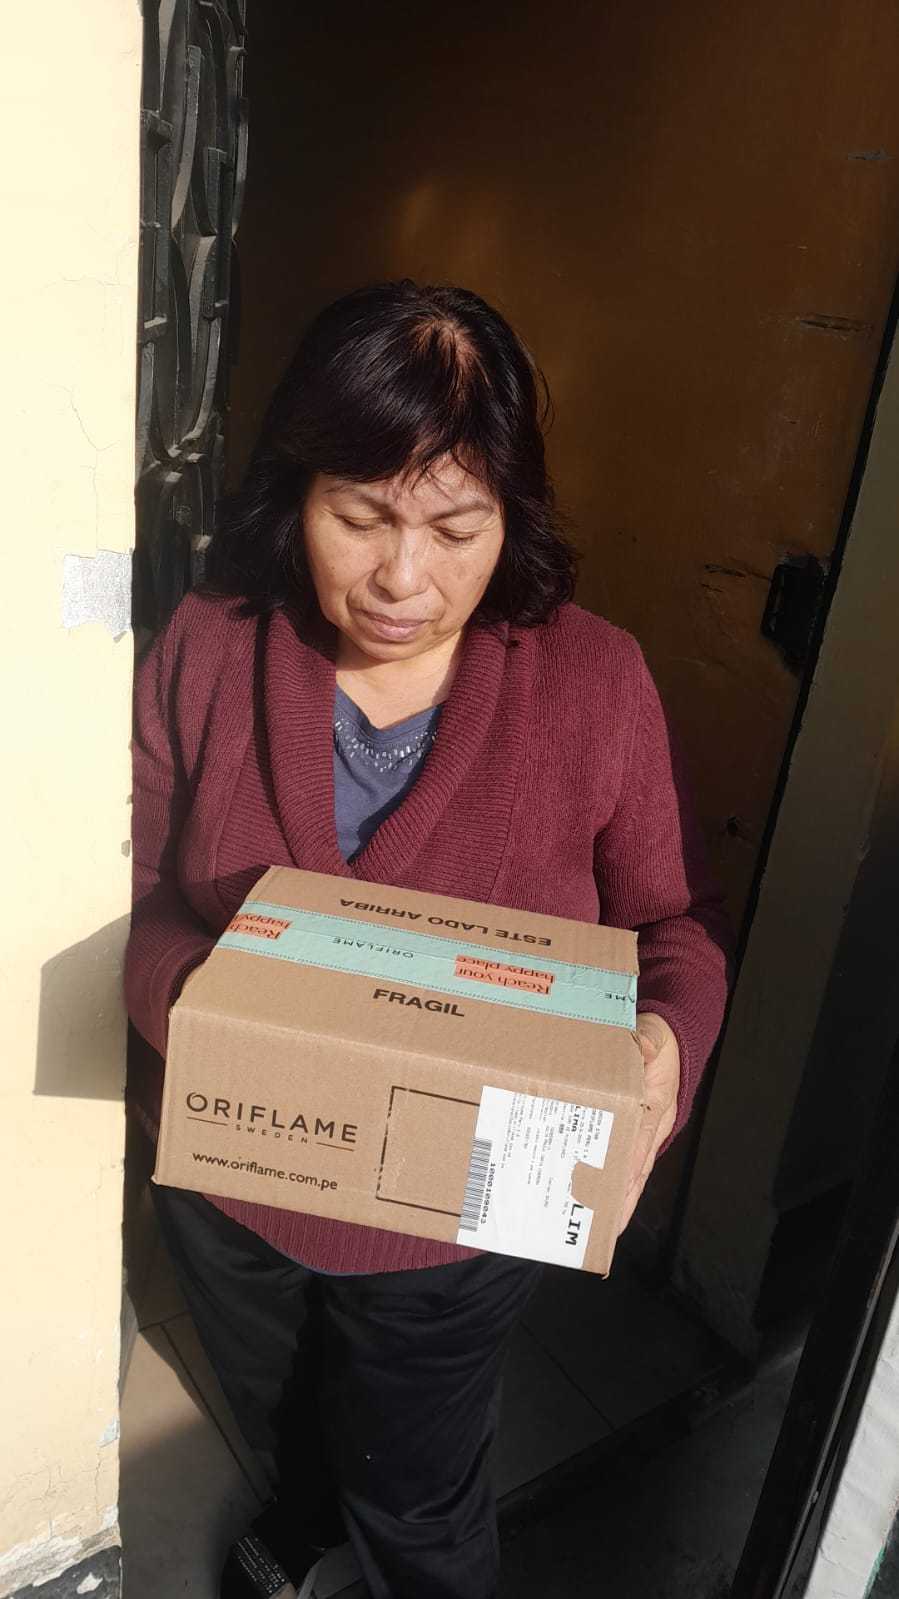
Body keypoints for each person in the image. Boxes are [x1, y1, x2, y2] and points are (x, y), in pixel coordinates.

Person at [125, 280, 731, 1599]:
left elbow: (669, 926)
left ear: (512, 516)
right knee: (279, 1406)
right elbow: (145, 888)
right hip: (234, 1181)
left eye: (457, 529)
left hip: (454, 1217)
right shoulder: (213, 648)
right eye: (360, 519)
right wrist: (214, 1015)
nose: (404, 579)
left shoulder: (593, 682)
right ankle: (298, 1525)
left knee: (418, 1483)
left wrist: (662, 1049)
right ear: (295, 496)